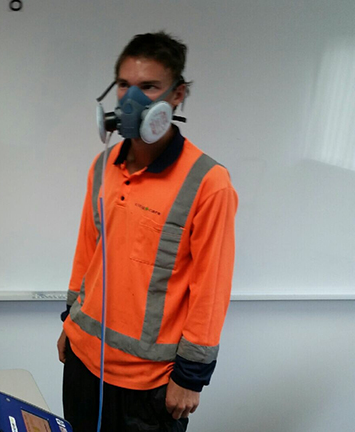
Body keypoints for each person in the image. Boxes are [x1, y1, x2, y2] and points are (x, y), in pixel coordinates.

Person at [57, 32, 238, 432]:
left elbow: (211, 288)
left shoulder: (209, 182)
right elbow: (87, 252)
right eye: (124, 85)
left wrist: (191, 377)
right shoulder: (103, 165)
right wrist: (70, 322)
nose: (132, 98)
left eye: (150, 86)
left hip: (150, 385)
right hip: (84, 362)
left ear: (177, 95)